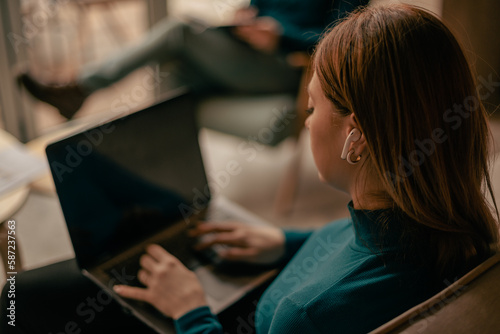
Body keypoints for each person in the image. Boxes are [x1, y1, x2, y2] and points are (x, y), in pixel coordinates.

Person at [3, 3, 500, 333]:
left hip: (219, 318)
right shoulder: (457, 226)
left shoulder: (303, 315)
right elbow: (359, 242)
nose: (306, 121)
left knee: (23, 297)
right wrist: (284, 242)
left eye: (311, 108)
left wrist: (190, 309)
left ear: (357, 137)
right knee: (121, 196)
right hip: (271, 275)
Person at [18, 0, 368, 119]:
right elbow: (259, 7)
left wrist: (281, 35)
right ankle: (175, 186)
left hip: (293, 67)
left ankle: (81, 87)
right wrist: (249, 21)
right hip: (249, 55)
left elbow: (345, 39)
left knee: (178, 33)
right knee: (175, 69)